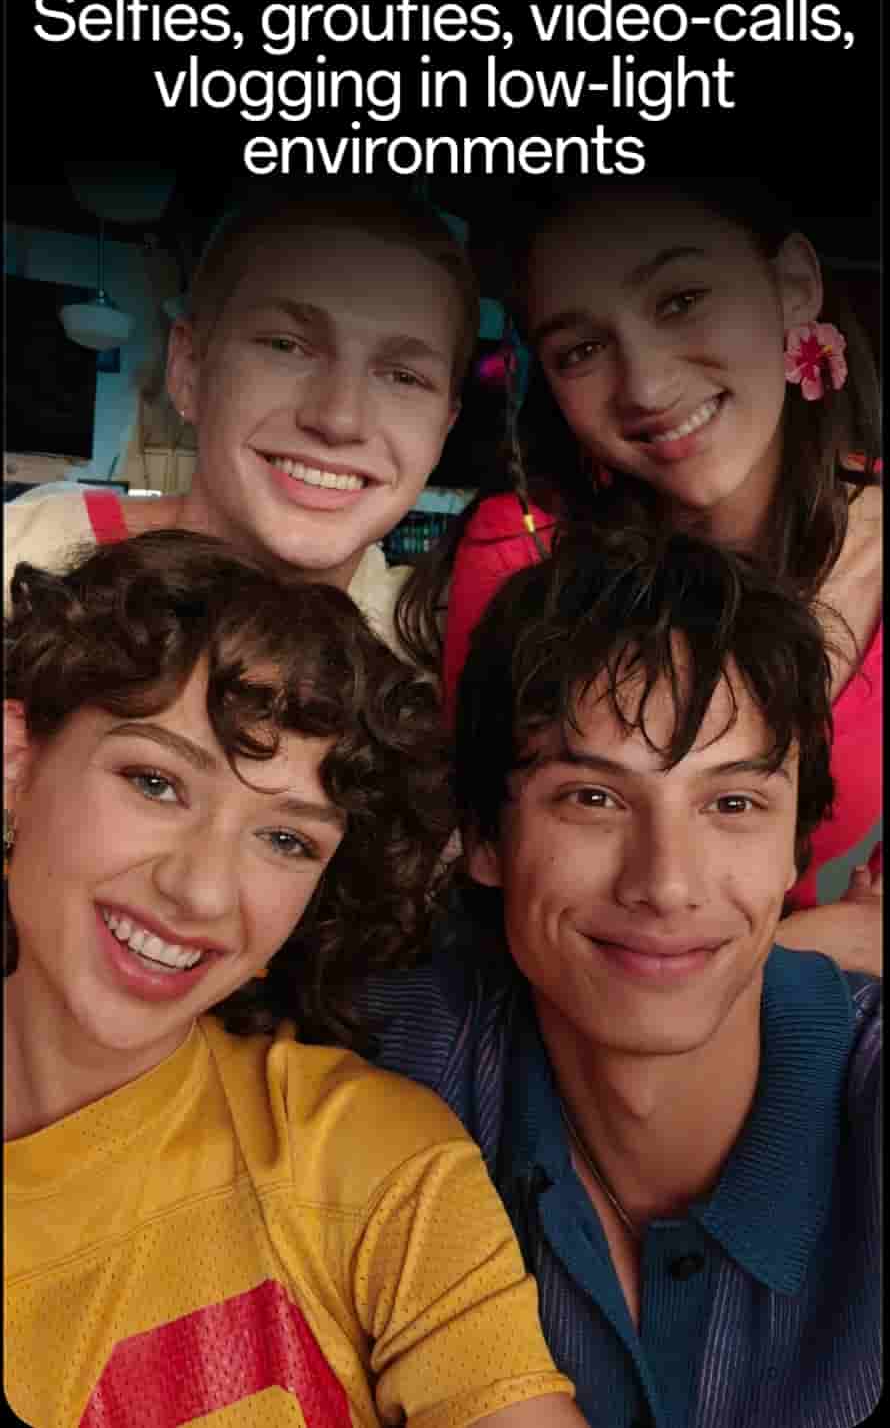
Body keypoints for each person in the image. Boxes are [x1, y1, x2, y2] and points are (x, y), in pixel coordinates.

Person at [3, 530, 586, 1428]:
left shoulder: (368, 1162)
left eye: (285, 839)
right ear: (16, 761)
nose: (201, 890)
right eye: (155, 782)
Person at [365, 529, 881, 1427]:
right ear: (484, 837)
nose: (665, 882)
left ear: (794, 847)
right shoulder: (375, 1063)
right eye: (593, 798)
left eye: (733, 802)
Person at [397, 176, 881, 965]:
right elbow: (493, 890)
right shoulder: (522, 548)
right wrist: (814, 946)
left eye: (681, 300)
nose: (647, 386)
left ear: (793, 285)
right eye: (580, 351)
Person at [4, 183, 477, 653]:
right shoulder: (22, 551)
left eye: (403, 377)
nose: (339, 420)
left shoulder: (442, 653)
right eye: (286, 346)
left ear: (444, 429)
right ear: (189, 369)